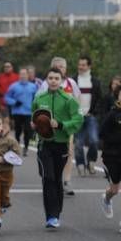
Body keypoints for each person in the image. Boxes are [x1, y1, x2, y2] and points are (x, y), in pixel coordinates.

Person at [31, 67, 83, 229]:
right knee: (48, 178)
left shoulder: (69, 100)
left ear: (61, 80)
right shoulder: (39, 98)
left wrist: (61, 124)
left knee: (57, 179)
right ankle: (51, 216)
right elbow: (33, 116)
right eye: (50, 78)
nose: (53, 81)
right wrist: (35, 125)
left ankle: (56, 212)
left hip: (61, 145)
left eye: (56, 78)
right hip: (44, 144)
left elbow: (78, 120)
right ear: (47, 80)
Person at [99, 83, 121, 233]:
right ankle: (106, 197)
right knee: (115, 189)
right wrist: (120, 137)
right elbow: (101, 134)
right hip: (112, 156)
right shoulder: (113, 114)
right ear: (118, 97)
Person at [73, 55, 103, 176]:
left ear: (89, 66)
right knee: (79, 143)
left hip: (91, 116)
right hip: (77, 116)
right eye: (79, 64)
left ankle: (91, 161)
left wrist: (94, 112)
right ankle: (80, 164)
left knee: (94, 140)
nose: (81, 67)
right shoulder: (73, 80)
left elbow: (99, 99)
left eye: (83, 65)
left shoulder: (95, 82)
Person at [4, 67, 38, 156]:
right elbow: (6, 97)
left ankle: (26, 147)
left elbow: (37, 98)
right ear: (19, 75)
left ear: (28, 75)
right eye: (21, 74)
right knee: (18, 131)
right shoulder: (13, 86)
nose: (23, 76)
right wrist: (14, 102)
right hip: (17, 112)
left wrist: (36, 108)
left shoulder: (33, 86)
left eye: (24, 74)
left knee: (28, 131)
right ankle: (17, 145)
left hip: (28, 112)